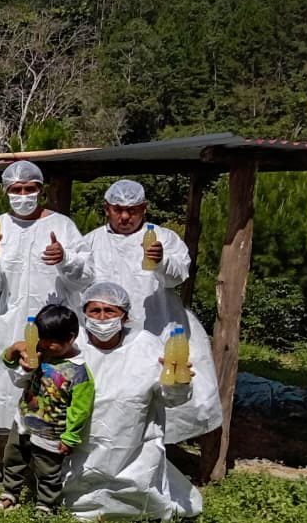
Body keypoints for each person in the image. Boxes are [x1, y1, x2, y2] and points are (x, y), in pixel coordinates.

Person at [77, 179, 223, 443]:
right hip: (106, 332)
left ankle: (157, 447)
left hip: (156, 327)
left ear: (144, 208)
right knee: (110, 392)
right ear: (106, 208)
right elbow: (79, 282)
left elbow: (179, 275)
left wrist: (161, 261)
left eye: (132, 210)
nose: (125, 217)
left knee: (160, 389)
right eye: (118, 209)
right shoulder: (91, 242)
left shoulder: (163, 238)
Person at [0, 160, 91, 482]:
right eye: (16, 189)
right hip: (9, 322)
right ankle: (3, 459)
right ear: (6, 192)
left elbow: (85, 276)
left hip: (52, 325)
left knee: (52, 389)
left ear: (41, 190)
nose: (23, 195)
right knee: (4, 391)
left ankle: (49, 460)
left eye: (29, 189)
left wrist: (65, 259)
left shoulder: (62, 226)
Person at [64, 281, 203, 521]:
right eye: (95, 311)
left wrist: (178, 384)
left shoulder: (146, 346)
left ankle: (134, 504)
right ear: (84, 314)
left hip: (133, 447)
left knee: (139, 491)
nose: (102, 318)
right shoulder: (73, 345)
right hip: (80, 444)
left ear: (125, 316)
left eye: (110, 311)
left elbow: (170, 397)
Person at [0, 303, 93, 514]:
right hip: (23, 422)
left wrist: (70, 437)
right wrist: (14, 350)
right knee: (13, 458)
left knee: (48, 470)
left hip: (51, 431)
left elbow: (80, 409)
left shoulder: (78, 372)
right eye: (41, 339)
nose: (45, 345)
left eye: (51, 342)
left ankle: (46, 504)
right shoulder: (40, 352)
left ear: (71, 338)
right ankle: (10, 493)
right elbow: (8, 362)